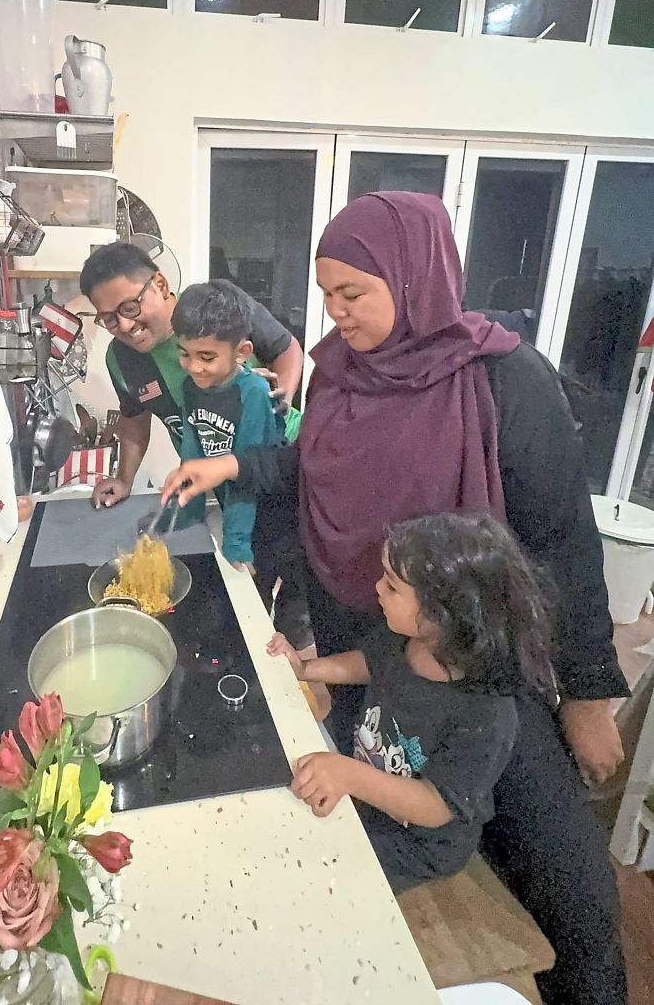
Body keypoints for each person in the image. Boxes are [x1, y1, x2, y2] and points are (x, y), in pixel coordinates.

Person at [163, 192, 628, 1005]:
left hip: (477, 666)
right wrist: (229, 468)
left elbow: (563, 546)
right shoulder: (340, 371)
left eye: (354, 295)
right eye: (327, 295)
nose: (335, 314)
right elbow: (309, 466)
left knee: (570, 885)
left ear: (415, 278)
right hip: (373, 650)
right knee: (374, 851)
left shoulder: (502, 378)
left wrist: (587, 695)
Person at [269, 512, 553, 895]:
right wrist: (305, 669)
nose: (377, 589)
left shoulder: (487, 716)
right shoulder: (407, 640)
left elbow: (435, 806)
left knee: (317, 876)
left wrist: (349, 775)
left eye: (391, 585)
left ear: (439, 613)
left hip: (418, 844)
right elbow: (366, 664)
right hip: (370, 797)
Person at [79, 241, 303, 510]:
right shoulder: (120, 359)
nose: (125, 325)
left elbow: (286, 348)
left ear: (160, 284)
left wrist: (280, 403)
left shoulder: (215, 305)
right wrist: (124, 479)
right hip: (222, 483)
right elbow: (135, 421)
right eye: (109, 319)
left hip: (284, 461)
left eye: (129, 308)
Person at [172, 281, 287, 569]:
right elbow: (192, 453)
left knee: (253, 585)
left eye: (207, 357)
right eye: (185, 353)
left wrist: (236, 544)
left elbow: (248, 471)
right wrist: (188, 513)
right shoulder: (191, 386)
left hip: (266, 511)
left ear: (242, 352)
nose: (194, 367)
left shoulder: (254, 394)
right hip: (231, 506)